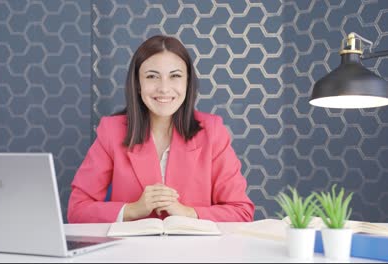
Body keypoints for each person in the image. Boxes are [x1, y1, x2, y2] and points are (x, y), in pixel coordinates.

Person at [67, 35, 255, 223]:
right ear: (138, 84)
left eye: (175, 76)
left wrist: (187, 213)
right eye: (152, 76)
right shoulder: (111, 131)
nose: (164, 88)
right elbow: (77, 210)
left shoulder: (212, 131)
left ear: (187, 82)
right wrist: (132, 210)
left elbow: (241, 211)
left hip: (195, 251)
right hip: (129, 251)